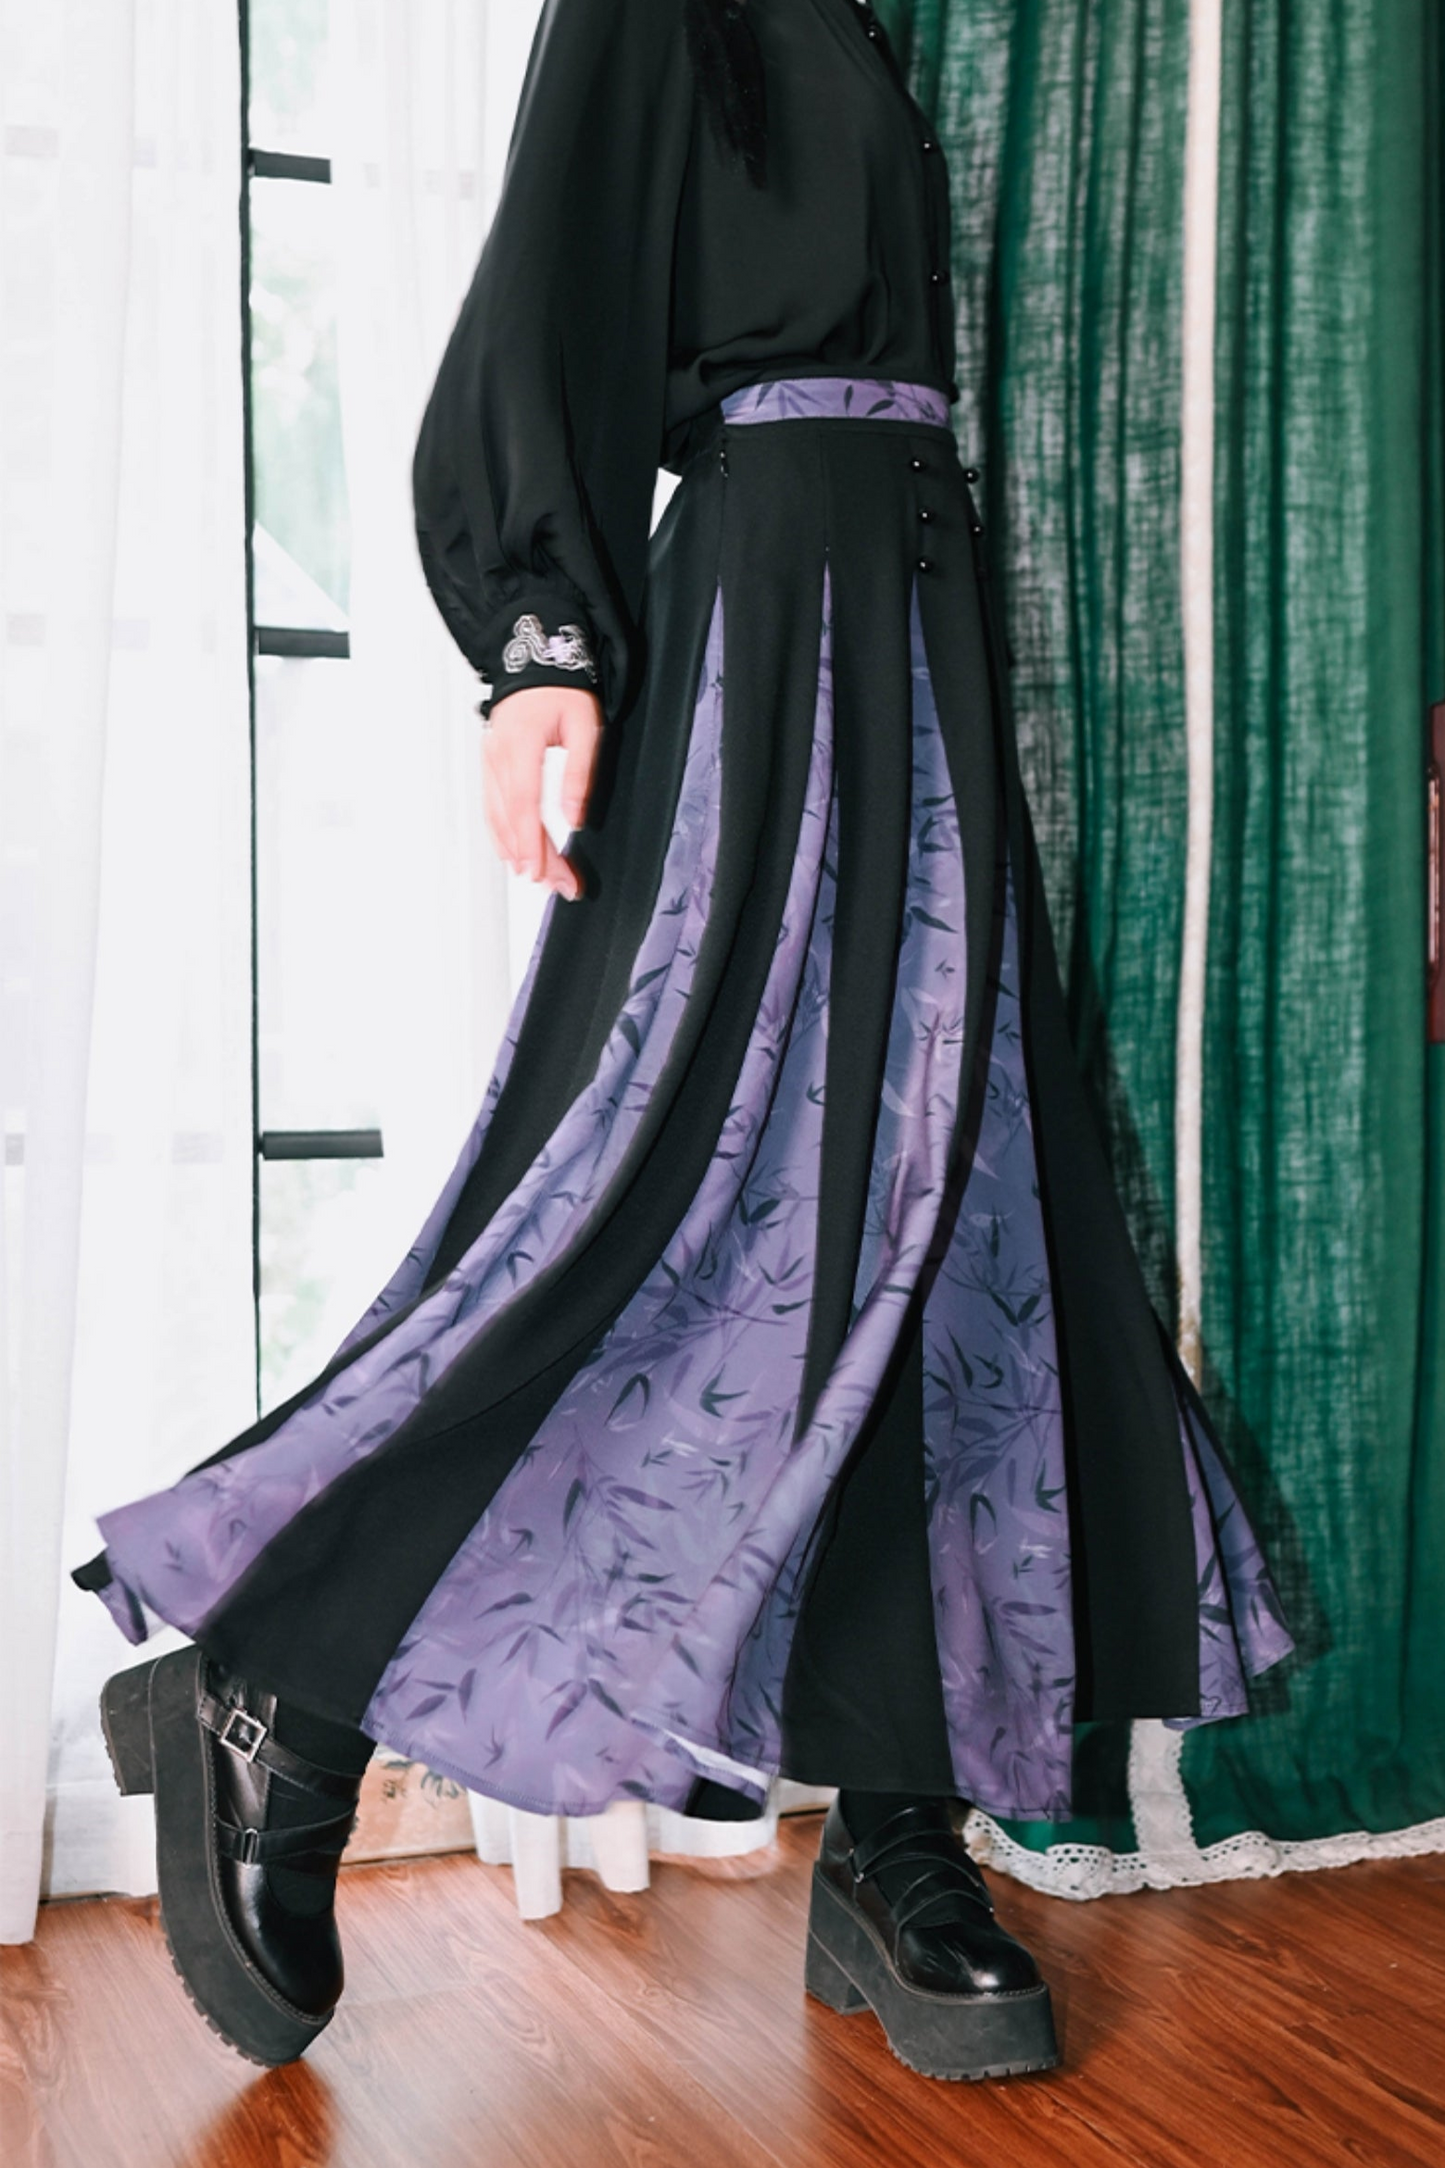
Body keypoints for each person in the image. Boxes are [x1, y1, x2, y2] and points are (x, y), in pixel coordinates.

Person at [74, 0, 1293, 2084]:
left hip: (910, 602)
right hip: (766, 614)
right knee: (649, 1194)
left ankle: (897, 1834)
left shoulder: (872, 33)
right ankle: (281, 1687)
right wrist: (539, 642)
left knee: (951, 1217)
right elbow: (547, 285)